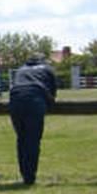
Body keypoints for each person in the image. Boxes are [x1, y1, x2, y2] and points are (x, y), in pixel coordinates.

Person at [9, 53, 57, 186]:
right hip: (35, 99)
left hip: (15, 99)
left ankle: (25, 174)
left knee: (21, 139)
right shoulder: (47, 69)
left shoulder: (20, 69)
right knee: (33, 140)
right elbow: (53, 93)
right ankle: (30, 177)